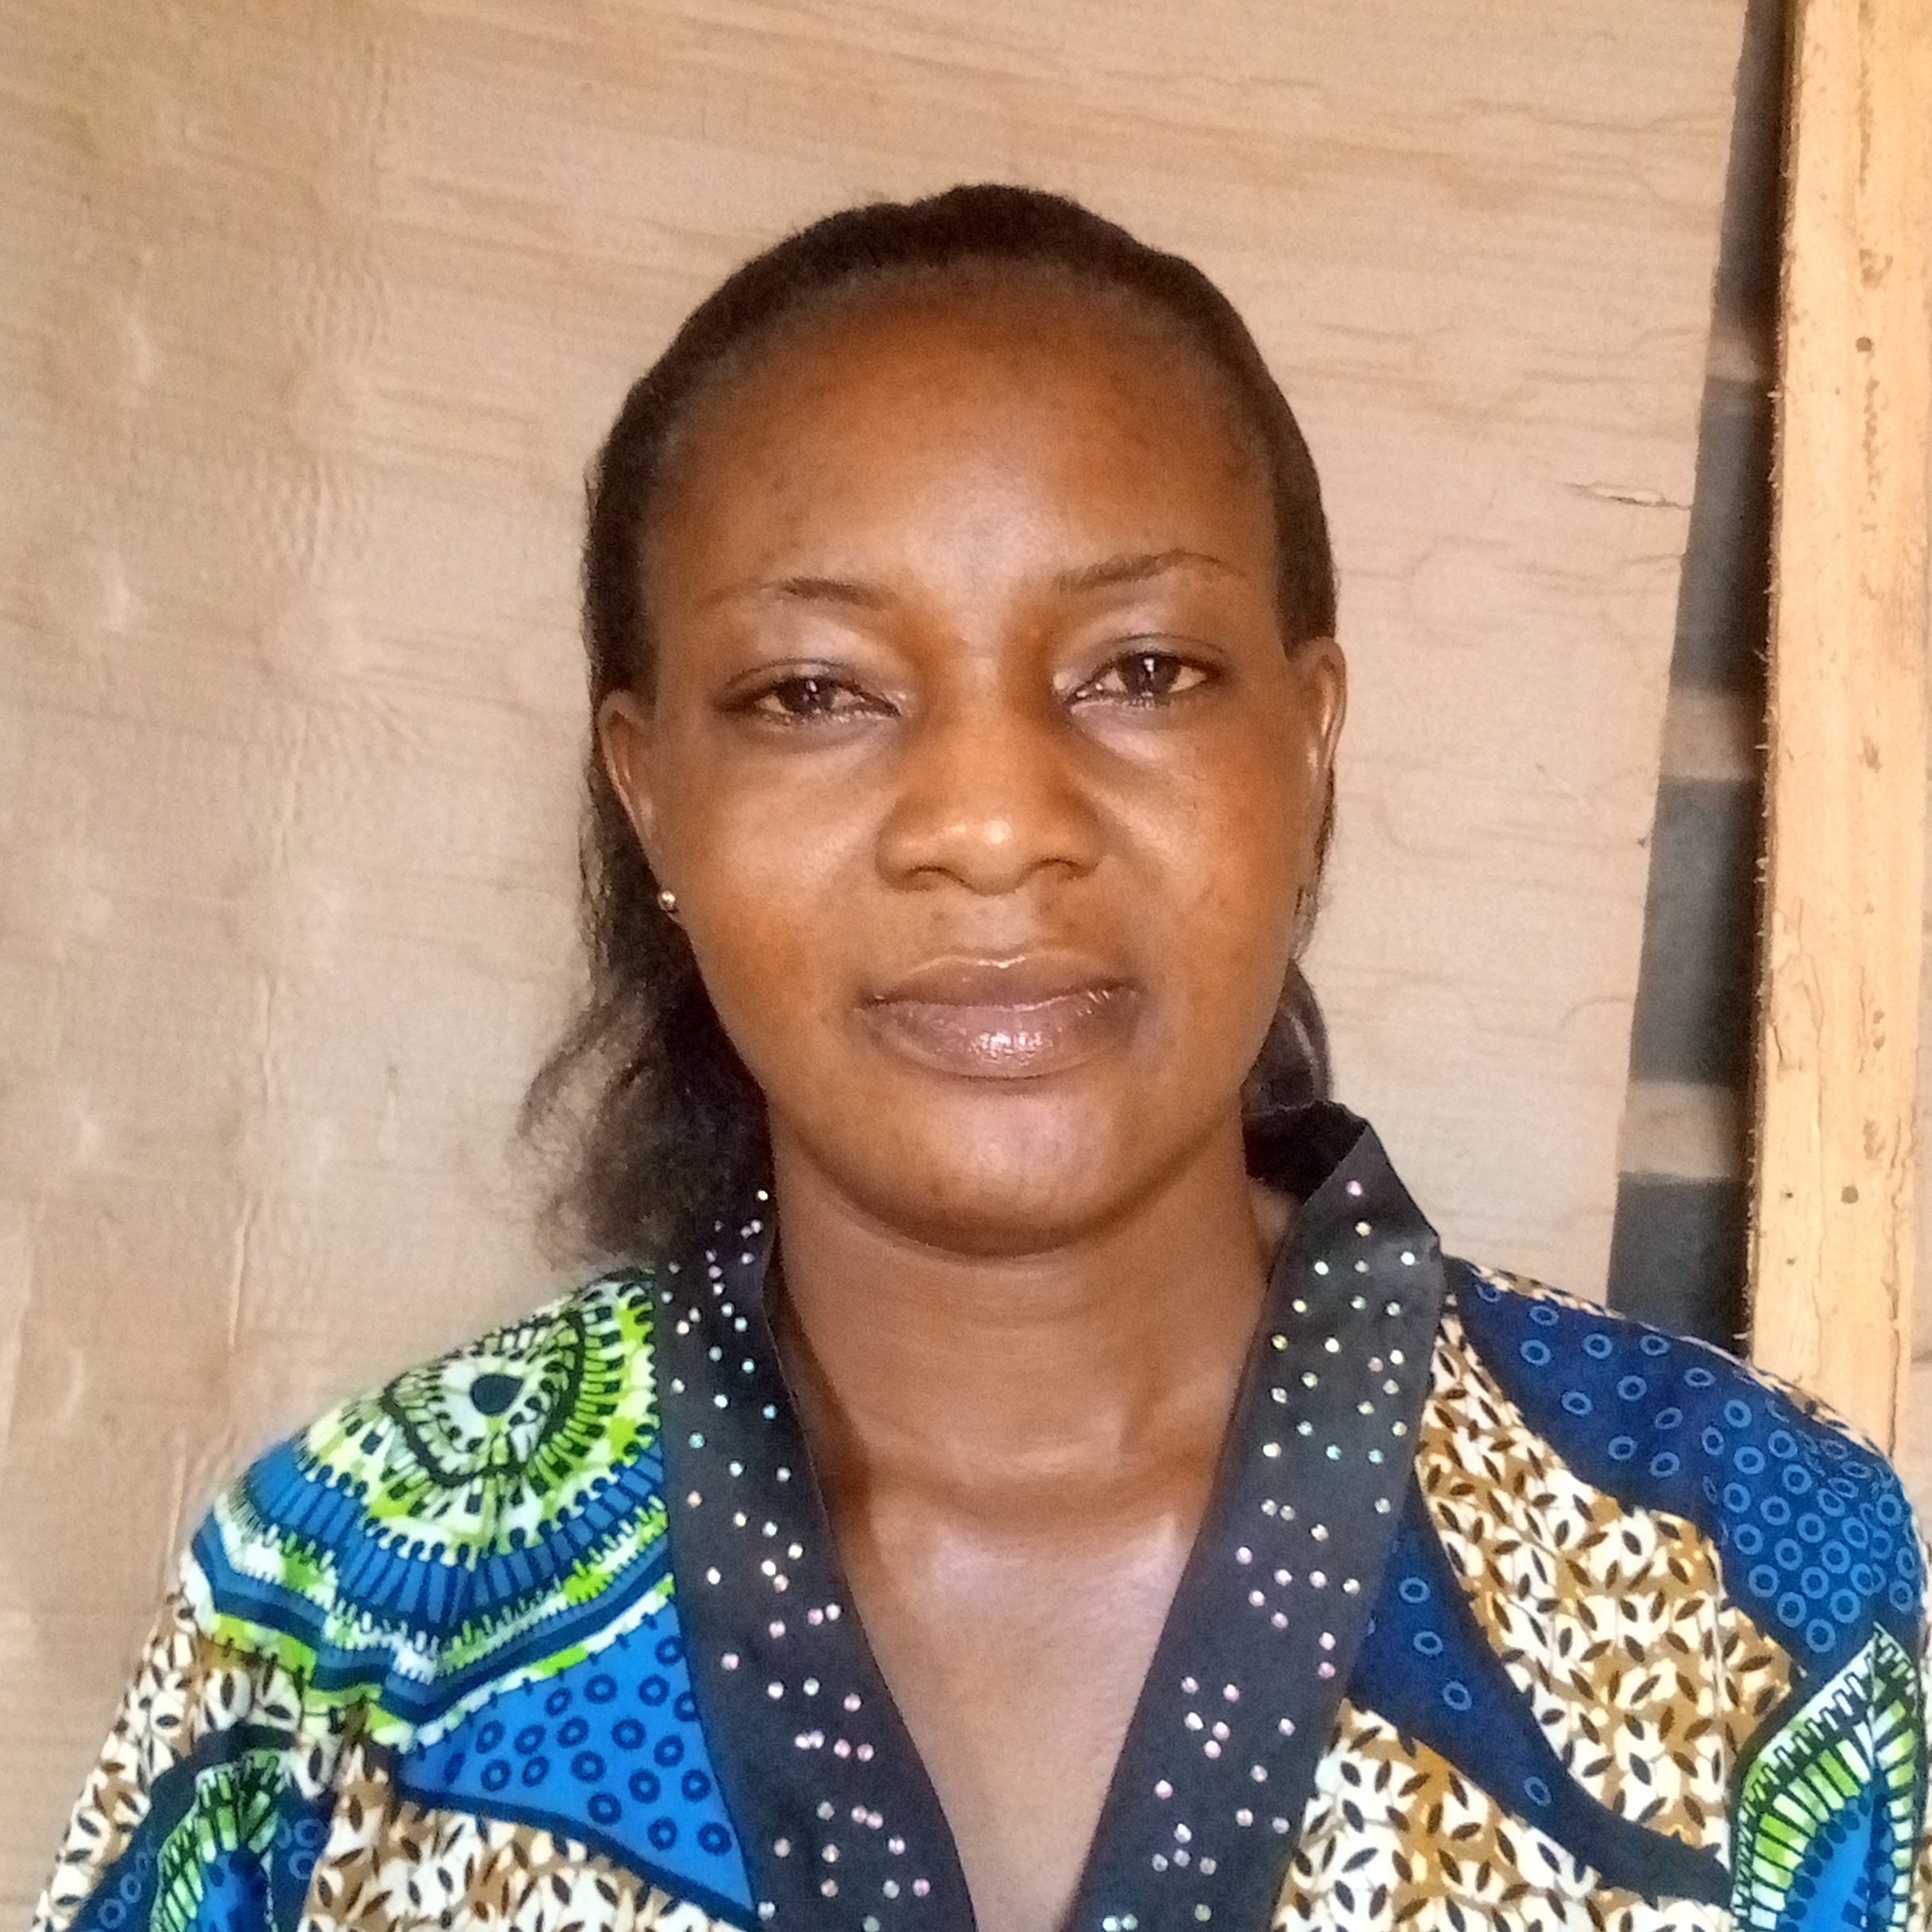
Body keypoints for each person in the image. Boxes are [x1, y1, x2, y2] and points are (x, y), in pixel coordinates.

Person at [33, 185, 1931, 1932]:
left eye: (1140, 671)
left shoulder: (1753, 1572)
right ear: (650, 789)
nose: (994, 823)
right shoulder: (347, 1616)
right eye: (813, 692)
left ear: (1309, 736)